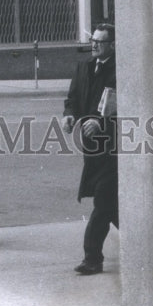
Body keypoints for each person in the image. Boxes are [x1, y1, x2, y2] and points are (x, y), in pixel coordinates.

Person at [62, 22, 118, 275]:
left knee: (103, 200)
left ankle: (92, 258)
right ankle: (146, 243)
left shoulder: (120, 69)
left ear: (112, 45)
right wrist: (69, 115)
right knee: (110, 204)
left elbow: (127, 107)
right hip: (92, 149)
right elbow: (73, 98)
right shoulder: (83, 67)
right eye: (93, 40)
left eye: (100, 41)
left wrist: (102, 122)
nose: (94, 45)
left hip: (115, 148)